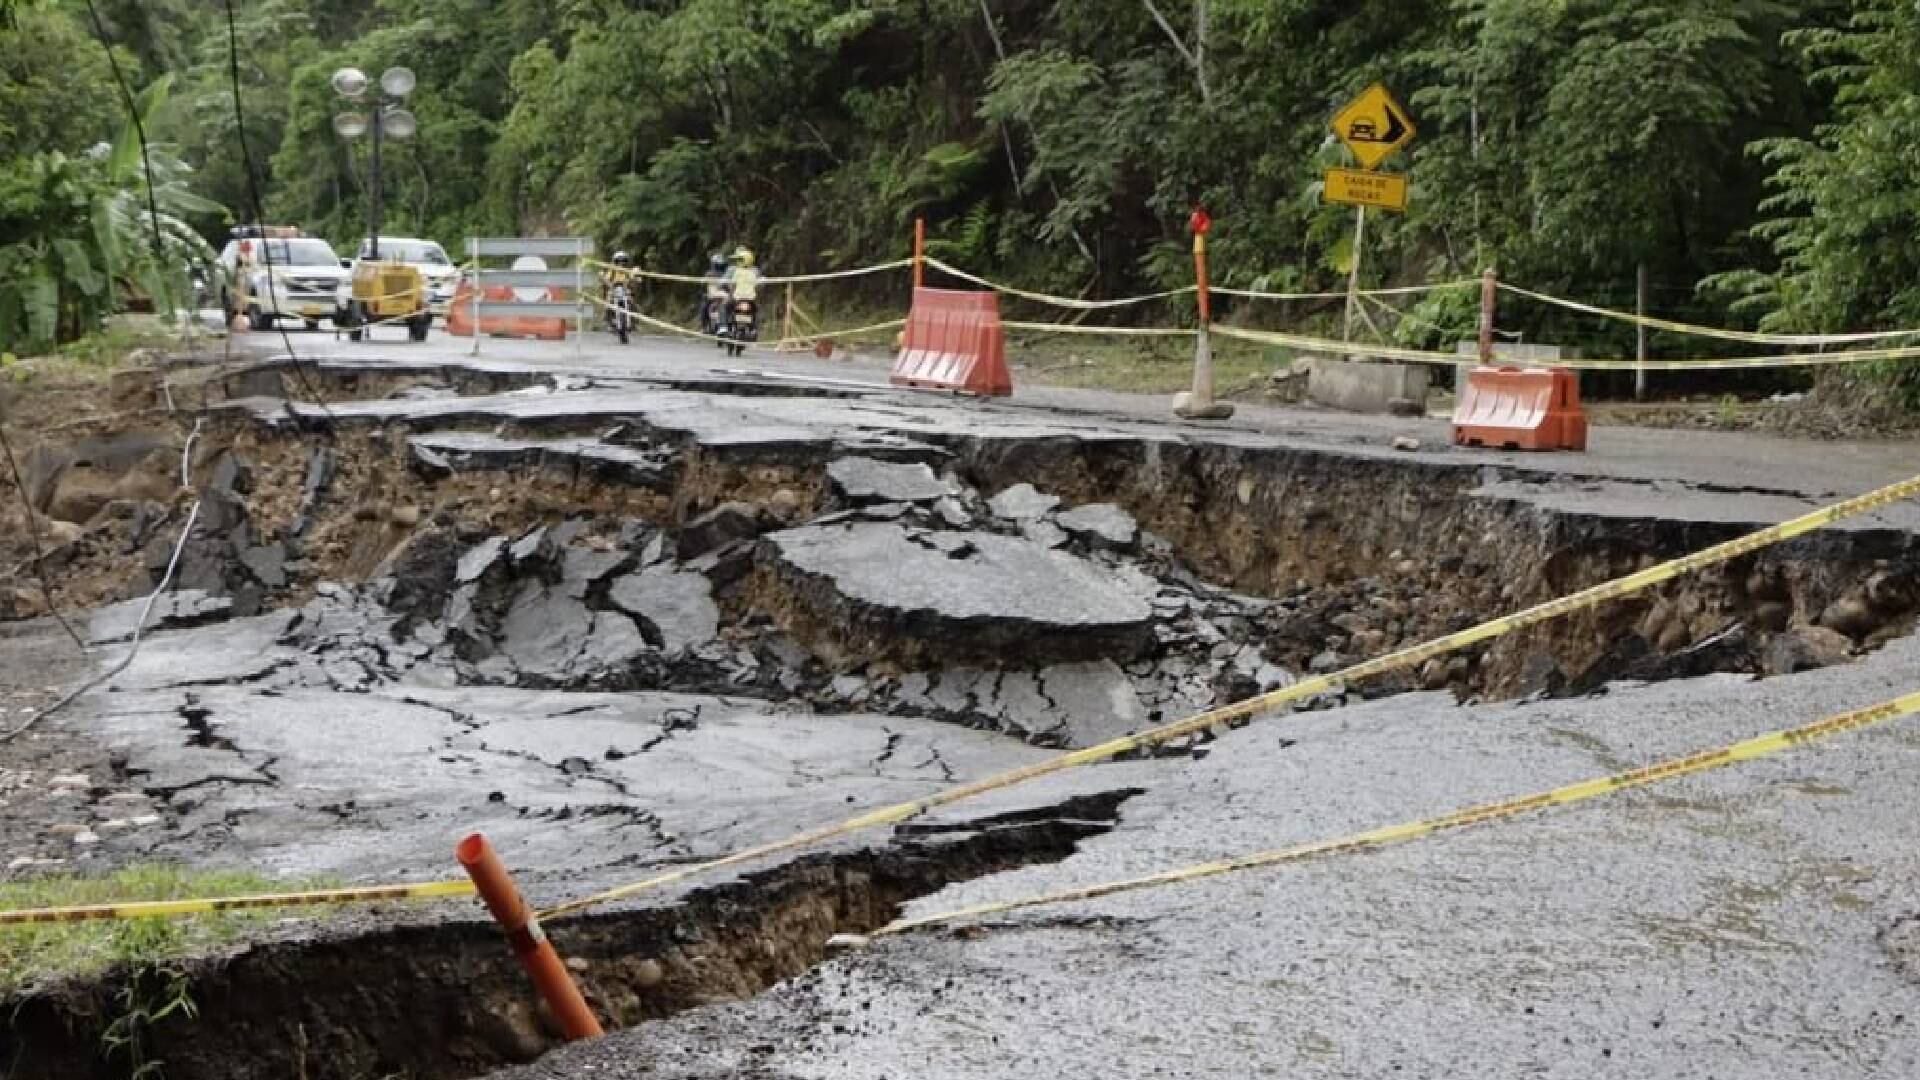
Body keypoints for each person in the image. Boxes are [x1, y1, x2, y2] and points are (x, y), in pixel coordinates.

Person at [601, 251, 638, 329]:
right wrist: (610, 285)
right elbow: (606, 279)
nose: (621, 263)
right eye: (619, 261)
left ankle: (634, 321)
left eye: (623, 261)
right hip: (614, 288)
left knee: (632, 302)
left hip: (625, 289)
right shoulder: (612, 270)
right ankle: (608, 320)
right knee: (608, 302)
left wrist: (635, 279)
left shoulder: (627, 271)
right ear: (615, 262)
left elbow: (632, 278)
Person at [699, 252, 729, 334]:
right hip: (712, 297)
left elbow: (729, 286)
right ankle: (704, 326)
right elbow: (702, 284)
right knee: (703, 307)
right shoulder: (709, 274)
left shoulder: (726, 274)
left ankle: (727, 326)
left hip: (722, 297)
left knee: (728, 308)